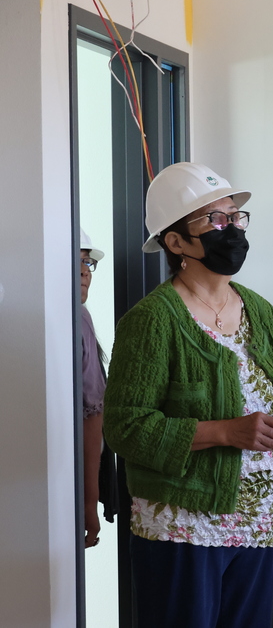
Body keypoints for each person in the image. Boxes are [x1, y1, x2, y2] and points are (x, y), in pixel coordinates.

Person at [104, 162, 273, 628]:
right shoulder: (152, 320)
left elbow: (269, 404)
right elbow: (125, 427)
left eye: (236, 217)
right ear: (176, 242)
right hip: (182, 529)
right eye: (215, 220)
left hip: (257, 526)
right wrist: (225, 432)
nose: (232, 229)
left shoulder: (260, 311)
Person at [79, 230, 105, 548]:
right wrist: (89, 502)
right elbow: (91, 416)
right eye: (75, 260)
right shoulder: (76, 317)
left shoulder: (79, 315)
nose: (84, 271)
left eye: (87, 262)